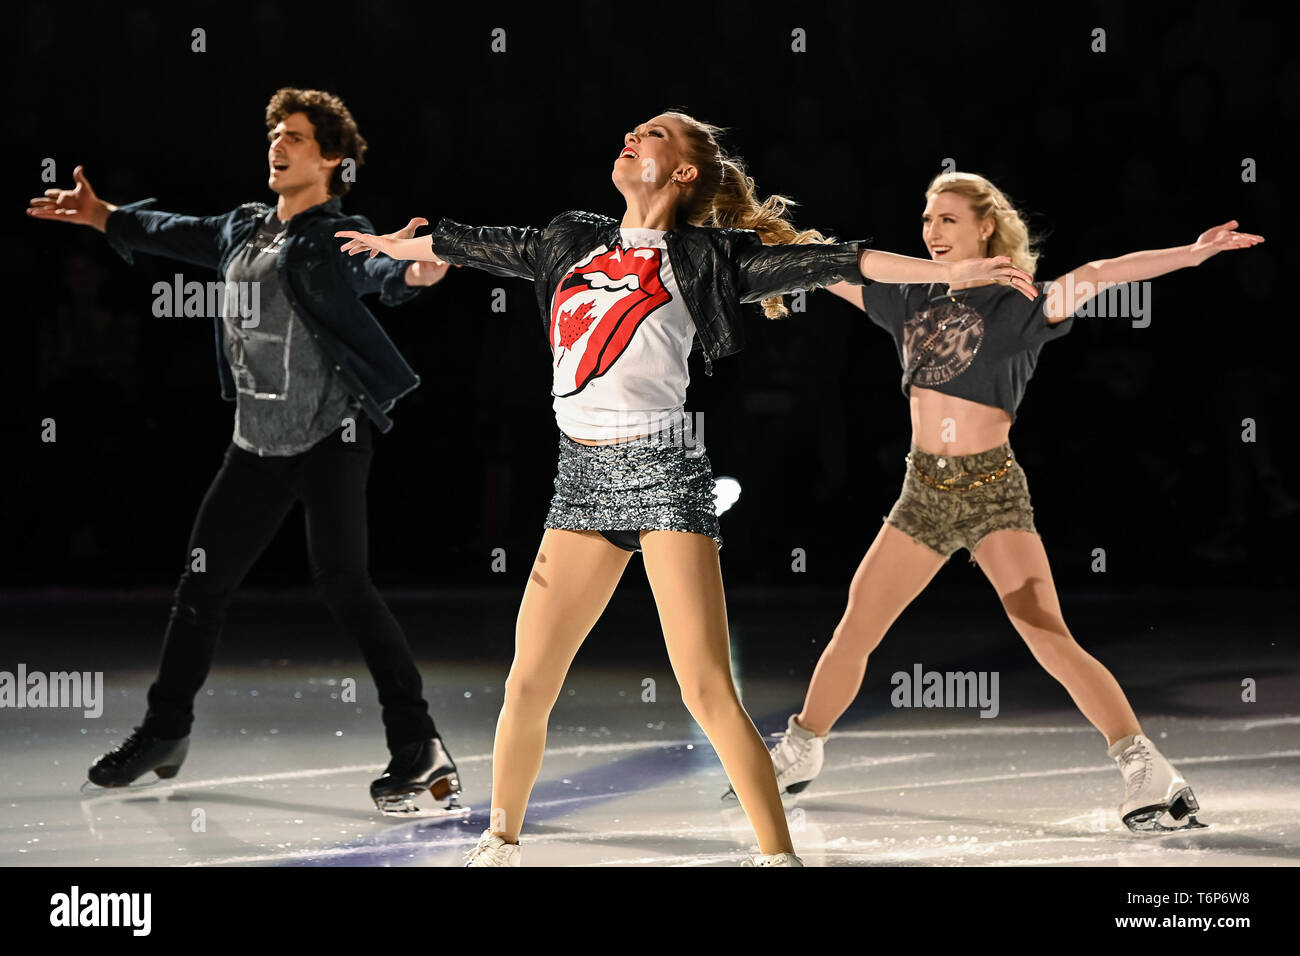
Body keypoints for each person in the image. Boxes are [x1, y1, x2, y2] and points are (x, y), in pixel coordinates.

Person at [336, 116, 1034, 864]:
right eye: (636, 129)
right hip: (580, 478)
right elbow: (471, 243)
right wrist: (394, 247)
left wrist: (948, 273)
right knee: (528, 680)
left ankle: (778, 856)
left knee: (705, 688)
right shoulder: (571, 238)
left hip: (666, 473)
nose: (634, 135)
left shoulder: (706, 256)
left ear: (684, 174)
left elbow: (844, 259)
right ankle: (501, 843)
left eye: (656, 134)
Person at [752, 170, 1262, 833]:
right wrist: (760, 234)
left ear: (985, 226)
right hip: (922, 491)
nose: (933, 232)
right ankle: (801, 750)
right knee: (858, 625)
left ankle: (1145, 765)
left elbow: (1102, 272)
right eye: (928, 219)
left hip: (991, 488)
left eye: (949, 220)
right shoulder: (909, 298)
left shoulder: (1019, 304)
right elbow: (825, 270)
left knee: (1044, 630)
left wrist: (1191, 253)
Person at [28, 87, 465, 817]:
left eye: (293, 136)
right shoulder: (244, 228)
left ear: (332, 160)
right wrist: (105, 215)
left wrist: (419, 268)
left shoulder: (332, 236)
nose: (277, 145)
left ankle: (418, 746)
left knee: (345, 586)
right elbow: (176, 229)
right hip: (256, 442)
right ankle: (165, 732)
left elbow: (383, 273)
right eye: (273, 133)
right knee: (200, 589)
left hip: (330, 436)